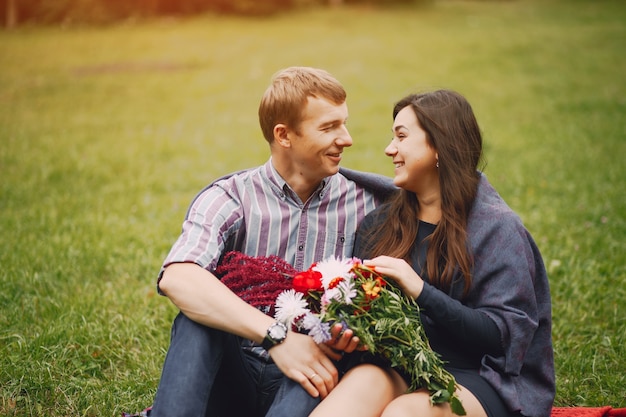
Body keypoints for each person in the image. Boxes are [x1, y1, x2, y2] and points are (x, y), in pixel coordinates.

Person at [149, 66, 395, 417]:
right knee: (195, 320)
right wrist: (276, 336)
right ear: (284, 135)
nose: (347, 138)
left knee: (321, 362)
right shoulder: (231, 197)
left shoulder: (369, 203)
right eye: (329, 127)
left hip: (312, 375)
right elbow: (178, 276)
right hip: (234, 370)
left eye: (344, 123)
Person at [308, 90, 555, 417]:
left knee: (403, 414)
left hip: (481, 374)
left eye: (401, 136)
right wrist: (349, 332)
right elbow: (370, 319)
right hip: (401, 365)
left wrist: (421, 291)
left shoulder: (497, 229)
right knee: (353, 394)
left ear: (439, 146)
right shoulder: (380, 225)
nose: (389, 149)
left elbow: (501, 340)